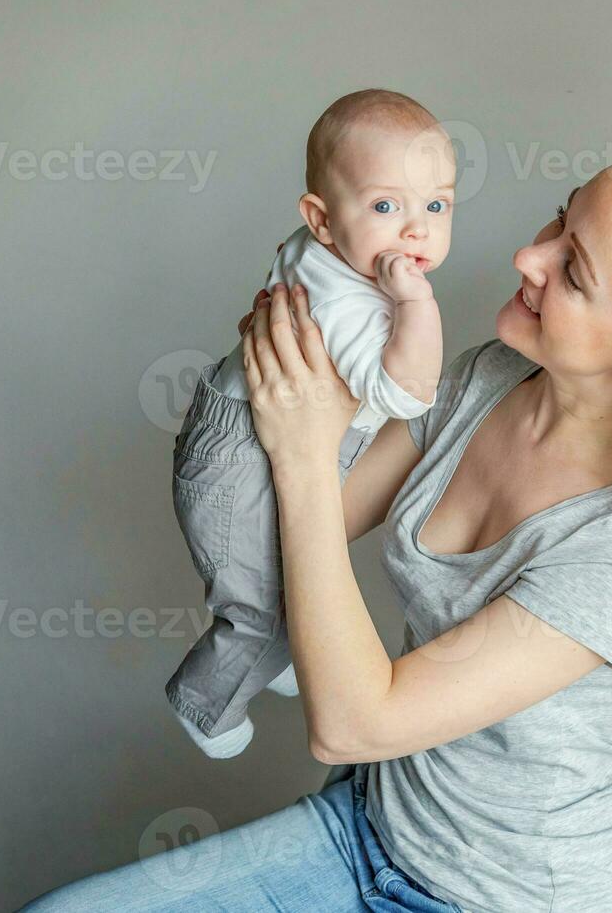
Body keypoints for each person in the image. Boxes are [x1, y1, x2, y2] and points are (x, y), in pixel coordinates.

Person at [18, 148, 612, 913]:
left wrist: (305, 452)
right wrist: (298, 363)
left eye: (573, 269)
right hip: (370, 831)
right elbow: (298, 533)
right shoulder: (494, 375)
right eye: (558, 221)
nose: (529, 255)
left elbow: (352, 724)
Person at [165, 89, 454, 758]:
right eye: (387, 206)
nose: (417, 229)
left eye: (436, 205)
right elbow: (404, 394)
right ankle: (204, 705)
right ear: (321, 221)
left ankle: (285, 651)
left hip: (244, 425)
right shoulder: (357, 306)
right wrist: (418, 308)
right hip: (242, 457)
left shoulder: (326, 253)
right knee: (262, 604)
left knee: (295, 570)